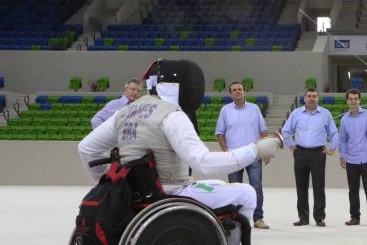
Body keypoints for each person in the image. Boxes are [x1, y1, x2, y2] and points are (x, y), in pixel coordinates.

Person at [78, 60, 283, 221]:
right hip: (170, 193)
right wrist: (255, 150)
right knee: (246, 192)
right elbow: (202, 162)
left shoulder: (124, 112)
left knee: (217, 184)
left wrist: (116, 190)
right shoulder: (172, 115)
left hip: (135, 195)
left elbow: (86, 149)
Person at [215, 81, 271, 229]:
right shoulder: (225, 110)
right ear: (230, 93)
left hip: (253, 155)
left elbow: (264, 132)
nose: (237, 92)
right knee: (234, 189)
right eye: (234, 90)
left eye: (240, 89)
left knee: (256, 187)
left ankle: (258, 219)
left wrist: (266, 152)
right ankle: (234, 219)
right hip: (234, 157)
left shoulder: (254, 109)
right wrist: (226, 152)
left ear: (244, 92)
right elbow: (219, 134)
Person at [282, 88, 339, 227]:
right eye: (309, 96)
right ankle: (303, 218)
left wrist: (332, 148)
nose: (312, 98)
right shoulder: (296, 113)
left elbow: (334, 133)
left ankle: (319, 217)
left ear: (318, 99)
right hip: (300, 153)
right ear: (305, 98)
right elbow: (286, 130)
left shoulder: (325, 114)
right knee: (301, 186)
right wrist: (290, 145)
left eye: (314, 96)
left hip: (318, 154)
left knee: (319, 186)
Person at [339, 89, 367, 227]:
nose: (353, 101)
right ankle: (354, 217)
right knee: (353, 190)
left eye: (356, 98)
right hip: (351, 159)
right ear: (347, 101)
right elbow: (343, 139)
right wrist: (342, 155)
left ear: (359, 100)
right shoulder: (344, 119)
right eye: (351, 99)